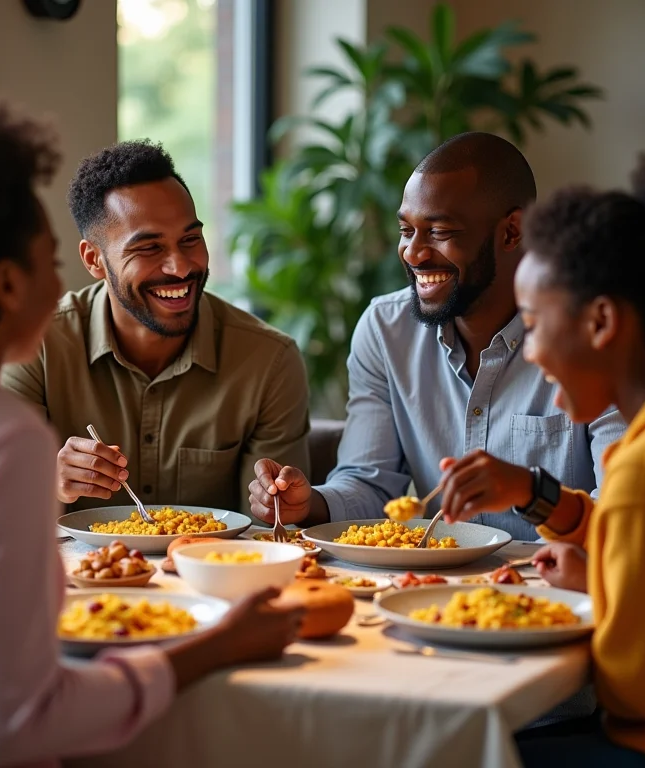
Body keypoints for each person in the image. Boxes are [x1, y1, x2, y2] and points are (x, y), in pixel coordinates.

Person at [0, 91, 302, 767]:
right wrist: (213, 649)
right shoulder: (0, 439)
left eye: (191, 239)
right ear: (7, 284)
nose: (60, 283)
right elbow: (15, 723)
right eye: (49, 260)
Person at [249, 132, 624, 543]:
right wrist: (309, 503)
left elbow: (622, 513)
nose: (413, 253)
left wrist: (533, 493)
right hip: (429, 593)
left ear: (512, 232)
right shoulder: (385, 330)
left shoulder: (590, 337)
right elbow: (372, 485)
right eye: (406, 230)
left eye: (440, 232)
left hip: (557, 589)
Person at [439, 146, 645, 767]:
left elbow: (636, 686)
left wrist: (593, 592)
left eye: (536, 324)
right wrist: (549, 505)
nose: (530, 353)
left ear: (600, 323)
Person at [0, 139, 310, 515]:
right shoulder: (35, 345)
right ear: (94, 260)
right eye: (148, 248)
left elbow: (270, 529)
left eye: (190, 239)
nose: (180, 267)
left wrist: (276, 503)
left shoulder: (269, 360)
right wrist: (48, 483)